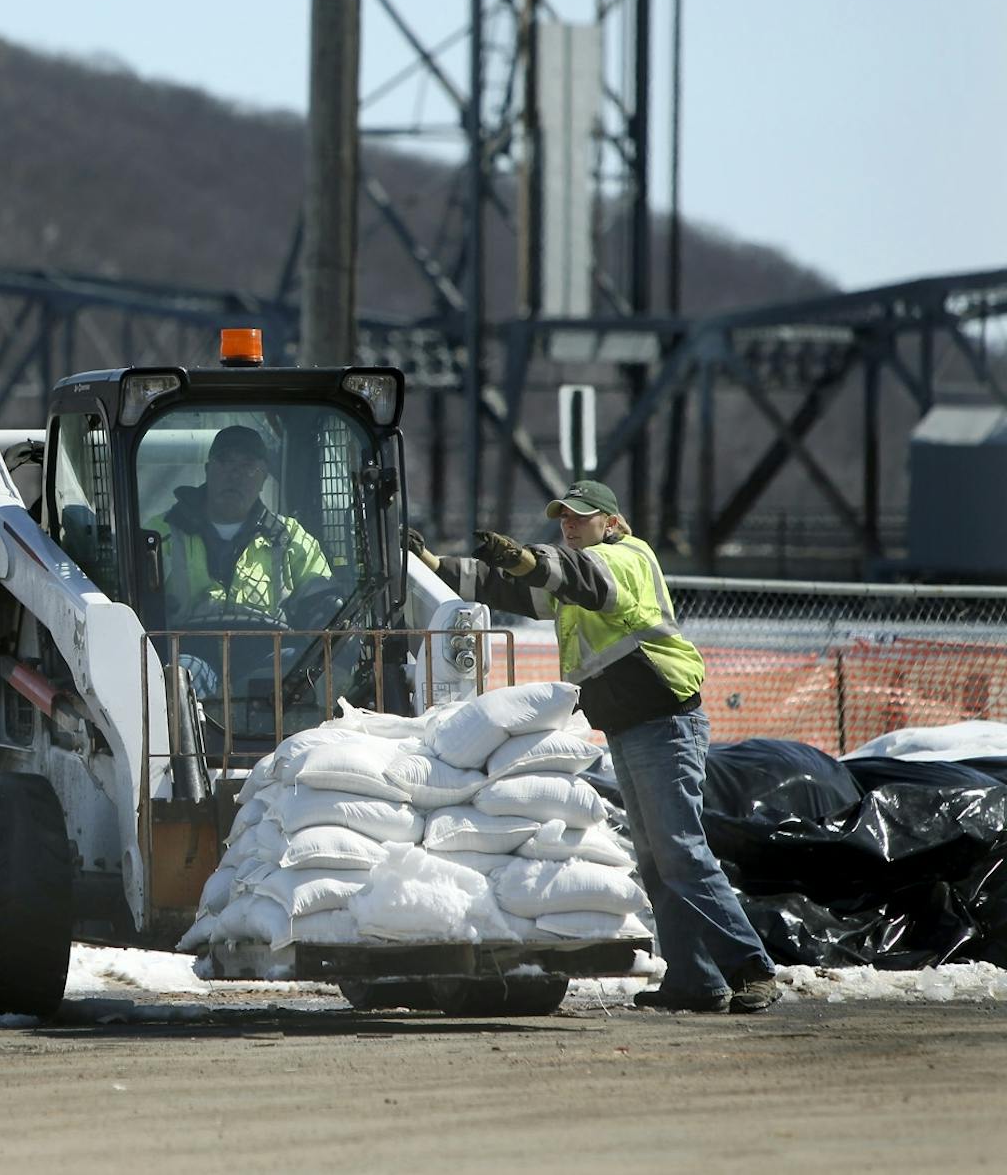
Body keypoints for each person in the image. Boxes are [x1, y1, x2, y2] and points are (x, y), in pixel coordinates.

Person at [406, 479, 780, 1014]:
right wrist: (434, 562)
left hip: (664, 720)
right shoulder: (574, 577)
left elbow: (577, 577)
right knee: (656, 860)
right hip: (631, 726)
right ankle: (695, 981)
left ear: (612, 522)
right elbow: (506, 588)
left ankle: (751, 966)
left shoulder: (625, 557)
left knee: (680, 851)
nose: (569, 523)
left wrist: (527, 559)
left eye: (581, 517)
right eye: (564, 517)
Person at [147, 424, 331, 628]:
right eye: (225, 462)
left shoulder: (290, 538)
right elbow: (137, 603)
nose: (235, 475)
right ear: (208, 470)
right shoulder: (160, 533)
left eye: (249, 466)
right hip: (182, 654)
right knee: (184, 662)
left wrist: (333, 619)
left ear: (263, 479)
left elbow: (324, 601)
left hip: (275, 656)